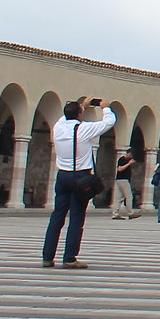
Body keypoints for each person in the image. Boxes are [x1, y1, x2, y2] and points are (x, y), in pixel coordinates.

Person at [41, 96, 115, 269]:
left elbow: (65, 116)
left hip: (62, 176)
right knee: (76, 217)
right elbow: (108, 122)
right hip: (80, 177)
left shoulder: (58, 127)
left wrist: (82, 105)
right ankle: (69, 258)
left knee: (57, 216)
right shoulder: (83, 129)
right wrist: (105, 107)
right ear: (80, 115)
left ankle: (47, 256)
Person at [110, 151, 138, 220]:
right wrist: (129, 163)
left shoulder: (125, 160)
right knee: (129, 196)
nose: (131, 157)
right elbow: (120, 169)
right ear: (128, 153)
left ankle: (115, 214)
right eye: (131, 155)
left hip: (120, 180)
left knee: (118, 198)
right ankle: (130, 213)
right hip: (123, 180)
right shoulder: (122, 160)